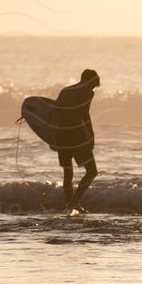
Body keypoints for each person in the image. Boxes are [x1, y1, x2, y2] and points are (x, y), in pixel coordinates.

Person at [56, 68, 100, 210]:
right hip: (76, 136)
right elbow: (84, 114)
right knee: (92, 171)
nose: (93, 88)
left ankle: (71, 204)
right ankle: (73, 202)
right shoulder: (87, 92)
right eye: (93, 84)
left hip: (61, 135)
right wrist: (91, 135)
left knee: (68, 172)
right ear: (88, 81)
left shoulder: (65, 91)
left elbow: (55, 112)